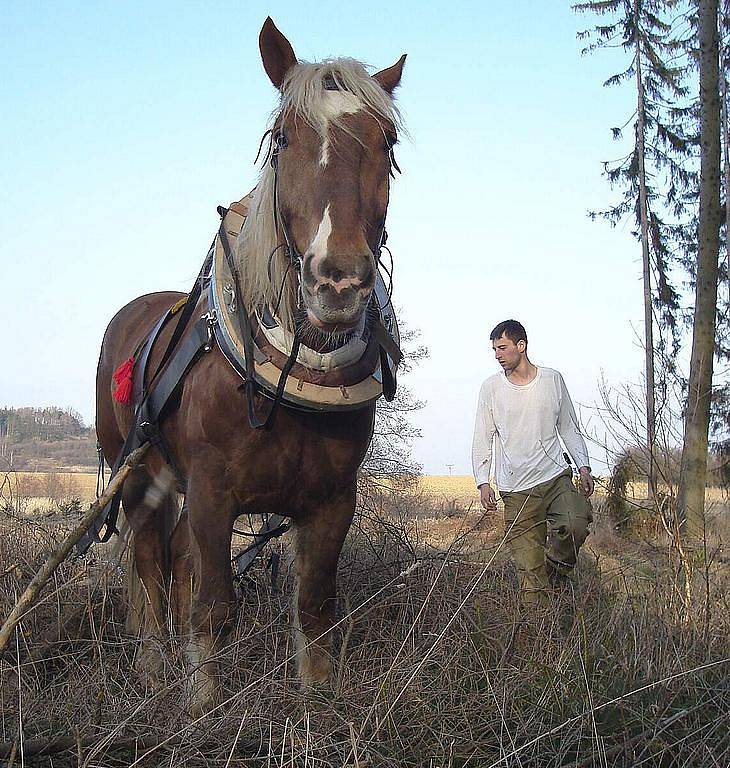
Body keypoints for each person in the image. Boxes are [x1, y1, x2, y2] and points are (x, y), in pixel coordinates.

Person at [471, 319, 594, 605]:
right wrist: (482, 482)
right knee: (530, 577)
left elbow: (569, 427)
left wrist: (583, 466)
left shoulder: (552, 380)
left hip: (554, 478)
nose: (497, 354)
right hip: (516, 491)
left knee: (576, 524)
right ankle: (540, 640)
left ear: (521, 346)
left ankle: (557, 570)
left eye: (502, 347)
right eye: (494, 349)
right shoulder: (490, 388)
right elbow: (482, 436)